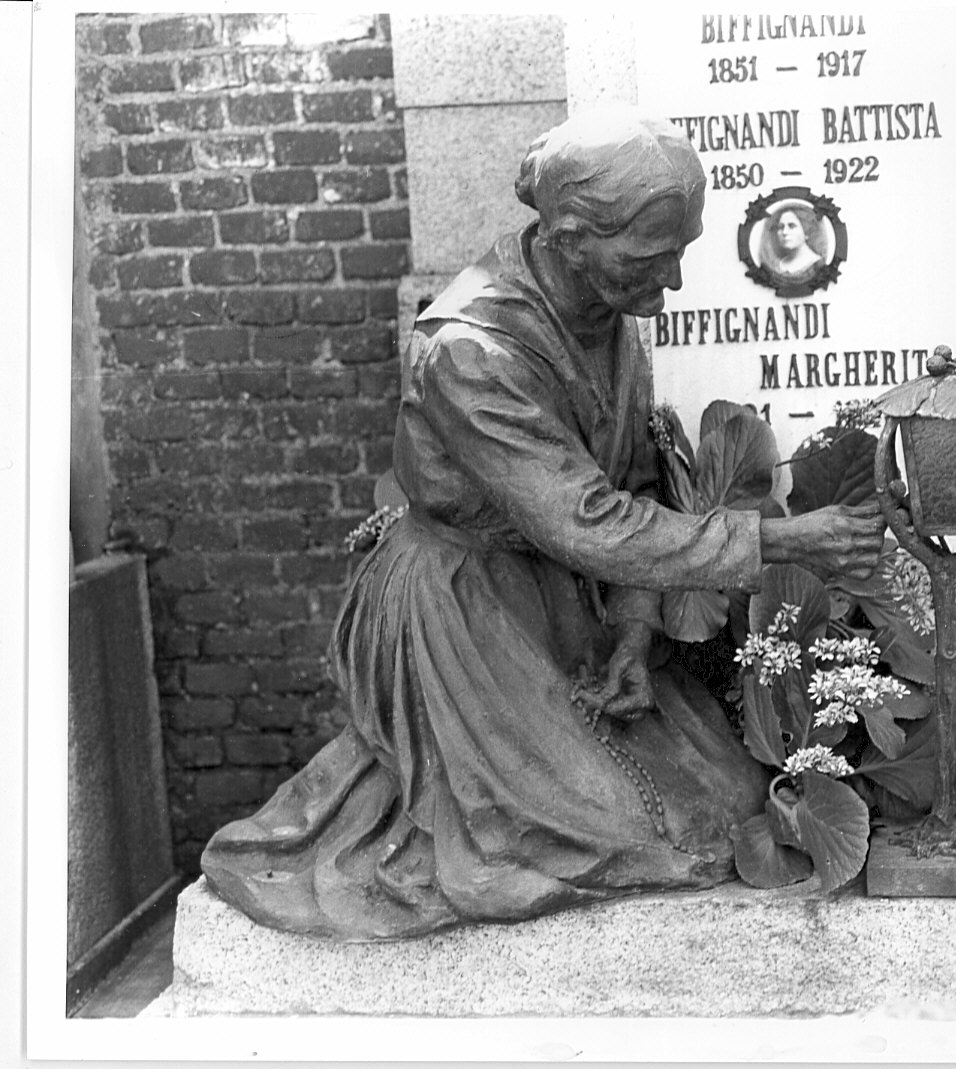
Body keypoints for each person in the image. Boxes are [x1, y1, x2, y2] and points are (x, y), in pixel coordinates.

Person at [200, 109, 885, 940]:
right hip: (461, 607)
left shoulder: (604, 318)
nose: (669, 281)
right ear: (567, 234)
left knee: (727, 803)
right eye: (650, 254)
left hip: (564, 601)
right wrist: (783, 540)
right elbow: (587, 519)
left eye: (680, 250)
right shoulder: (469, 351)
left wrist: (633, 636)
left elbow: (631, 481)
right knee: (610, 834)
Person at [764, 206, 824, 278]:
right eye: (781, 227)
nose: (785, 232)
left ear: (806, 232)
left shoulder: (817, 264)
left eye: (792, 226)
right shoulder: (780, 264)